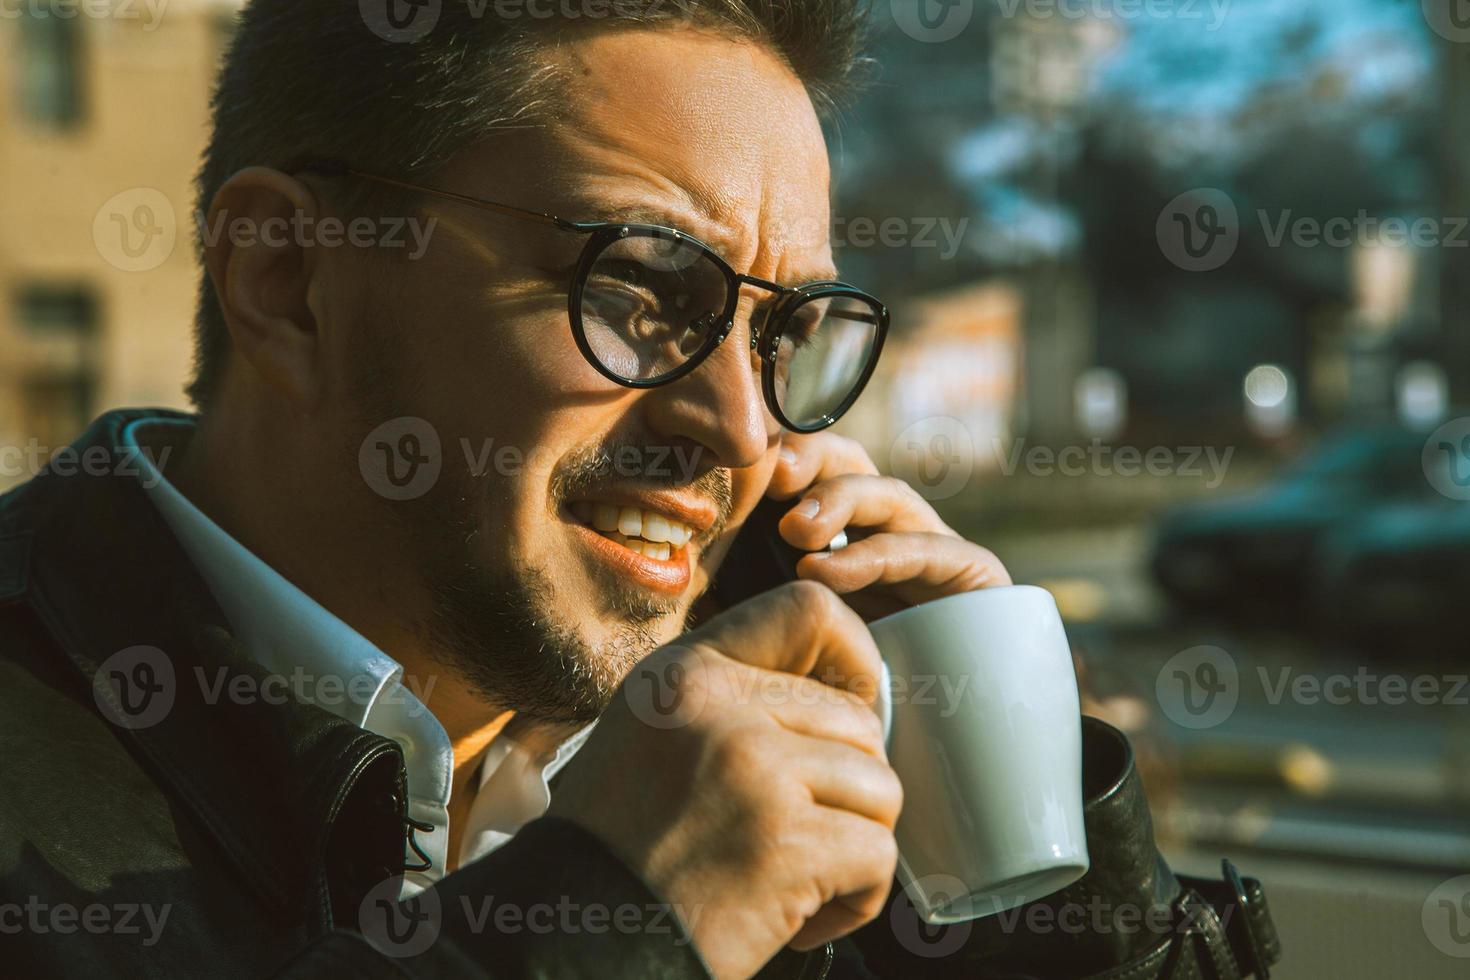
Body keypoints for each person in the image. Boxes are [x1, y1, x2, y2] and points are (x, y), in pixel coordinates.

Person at [0, 2, 1280, 977]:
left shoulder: (766, 749)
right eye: (636, 285)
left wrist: (1036, 883)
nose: (738, 426)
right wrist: (613, 916)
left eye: (788, 332)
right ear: (288, 281)